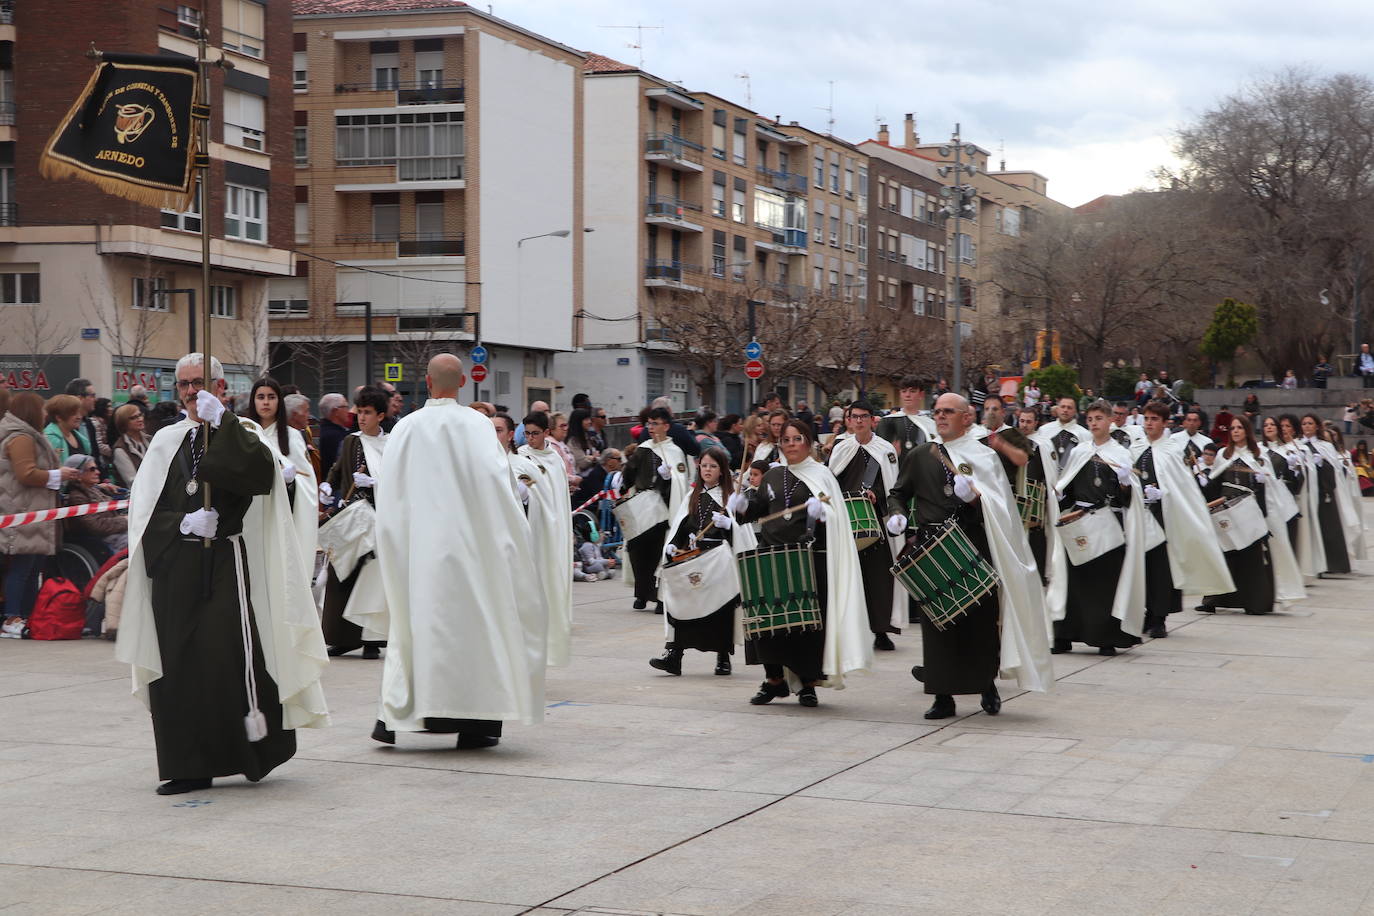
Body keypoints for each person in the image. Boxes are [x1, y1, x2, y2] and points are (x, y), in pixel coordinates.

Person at [116, 353, 329, 795]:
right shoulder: (165, 441)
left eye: (201, 383)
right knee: (176, 668)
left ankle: (248, 753)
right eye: (185, 385)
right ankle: (187, 765)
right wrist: (181, 523)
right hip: (175, 565)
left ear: (220, 388)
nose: (193, 392)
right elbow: (142, 513)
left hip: (224, 565)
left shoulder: (241, 432)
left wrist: (225, 426)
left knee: (224, 659)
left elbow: (262, 478)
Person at [371, 354, 548, 750]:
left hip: (420, 548)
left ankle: (398, 714)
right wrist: (508, 537)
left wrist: (396, 542)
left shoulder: (407, 427)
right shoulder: (477, 425)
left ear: (428, 382)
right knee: (475, 631)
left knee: (415, 627)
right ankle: (476, 721)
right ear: (463, 381)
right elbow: (496, 483)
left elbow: (390, 492)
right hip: (470, 548)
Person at [885, 393, 1054, 718]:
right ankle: (942, 695)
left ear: (966, 417)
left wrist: (976, 500)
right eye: (937, 412)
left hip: (974, 543)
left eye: (949, 411)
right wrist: (897, 514)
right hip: (934, 546)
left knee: (980, 622)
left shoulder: (984, 456)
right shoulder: (921, 454)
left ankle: (986, 686)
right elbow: (899, 493)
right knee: (937, 626)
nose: (941, 416)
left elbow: (1003, 505)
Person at [728, 418, 869, 708]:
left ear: (808, 442)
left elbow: (836, 520)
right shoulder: (772, 476)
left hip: (807, 559)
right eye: (786, 440)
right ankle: (774, 680)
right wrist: (742, 506)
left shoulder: (822, 475)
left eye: (797, 439)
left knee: (805, 626)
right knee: (766, 622)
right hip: (770, 556)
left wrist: (822, 514)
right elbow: (757, 511)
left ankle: (807, 683)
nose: (791, 445)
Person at [1047, 400, 1147, 656]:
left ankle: (1104, 637)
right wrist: (1059, 495)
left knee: (1104, 584)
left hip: (1106, 524)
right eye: (1090, 419)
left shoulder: (1120, 454)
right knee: (1072, 580)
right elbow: (1068, 489)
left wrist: (1125, 483)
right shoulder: (1080, 451)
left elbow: (1128, 499)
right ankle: (1064, 635)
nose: (1093, 423)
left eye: (1099, 419)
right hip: (1079, 524)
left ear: (1110, 420)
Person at [1131, 401, 1234, 637]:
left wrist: (1163, 494)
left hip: (1164, 516)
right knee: (1142, 568)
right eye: (1146, 419)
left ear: (1165, 422)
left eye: (1154, 419)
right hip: (1140, 515)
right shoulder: (1136, 448)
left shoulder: (1172, 450)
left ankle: (1159, 617)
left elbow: (1181, 486)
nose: (1149, 424)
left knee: (1161, 569)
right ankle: (1145, 612)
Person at [651, 447, 754, 676]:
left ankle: (723, 657)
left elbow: (744, 533)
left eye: (713, 466)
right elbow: (681, 524)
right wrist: (673, 543)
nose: (707, 470)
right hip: (694, 557)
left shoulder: (731, 497)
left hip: (719, 561)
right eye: (704, 465)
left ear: (721, 470)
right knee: (681, 601)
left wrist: (729, 526)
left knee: (721, 608)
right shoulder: (693, 495)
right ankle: (674, 655)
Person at [1197, 418, 1305, 614]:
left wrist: (1262, 482)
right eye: (1232, 428)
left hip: (1250, 513)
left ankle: (1256, 602)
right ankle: (1213, 599)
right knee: (1226, 554)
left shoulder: (1259, 455)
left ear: (1247, 430)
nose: (1236, 431)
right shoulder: (1223, 454)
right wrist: (1204, 484)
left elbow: (1270, 487)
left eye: (1240, 428)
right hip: (1227, 511)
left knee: (1252, 559)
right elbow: (1215, 482)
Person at [318, 386, 390, 660]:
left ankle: (372, 639)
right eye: (359, 412)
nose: (361, 418)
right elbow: (338, 468)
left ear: (380, 415)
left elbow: (398, 478)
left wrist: (375, 483)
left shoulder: (391, 443)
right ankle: (342, 637)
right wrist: (327, 484)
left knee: (372, 579)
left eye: (367, 413)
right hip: (352, 517)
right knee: (342, 576)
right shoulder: (352, 441)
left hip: (378, 518)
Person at [828, 400, 903, 651]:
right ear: (848, 420)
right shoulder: (840, 448)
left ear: (873, 420)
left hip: (875, 522)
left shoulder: (885, 450)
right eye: (854, 416)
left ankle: (881, 631)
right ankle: (849, 631)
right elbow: (831, 482)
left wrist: (877, 497)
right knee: (849, 578)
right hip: (846, 523)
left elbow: (894, 486)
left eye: (864, 416)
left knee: (878, 579)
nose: (859, 421)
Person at [1, 393, 77, 638]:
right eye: (41, 409)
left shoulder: (29, 435)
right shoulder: (21, 437)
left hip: (32, 510)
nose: (45, 413)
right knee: (23, 568)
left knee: (32, 568)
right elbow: (26, 474)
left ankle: (25, 616)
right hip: (22, 510)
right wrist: (58, 475)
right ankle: (11, 618)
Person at [243, 377, 319, 582]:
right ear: (254, 401)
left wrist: (289, 482)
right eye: (260, 397)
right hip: (250, 517)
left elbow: (308, 485)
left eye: (271, 397)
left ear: (279, 401)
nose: (266, 403)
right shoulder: (243, 434)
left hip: (281, 518)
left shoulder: (293, 437)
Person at [620, 407, 692, 613]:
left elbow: (681, 480)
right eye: (649, 424)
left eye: (656, 424)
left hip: (664, 509)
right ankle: (642, 594)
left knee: (659, 553)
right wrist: (624, 484)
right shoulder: (643, 447)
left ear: (666, 426)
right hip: (643, 507)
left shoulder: (675, 451)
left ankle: (661, 597)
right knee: (639, 552)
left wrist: (668, 478)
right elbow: (630, 472)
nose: (651, 428)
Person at [518, 411, 574, 667]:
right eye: (527, 433)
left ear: (546, 433)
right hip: (532, 528)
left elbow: (558, 497)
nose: (531, 438)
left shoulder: (555, 459)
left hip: (554, 527)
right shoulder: (520, 457)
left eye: (535, 433)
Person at [1300, 413, 1359, 575]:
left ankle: (1332, 564)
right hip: (1306, 492)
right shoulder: (1298, 445)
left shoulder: (1325, 446)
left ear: (1317, 426)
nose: (1307, 426)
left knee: (1328, 528)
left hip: (1323, 491)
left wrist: (1322, 463)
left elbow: (1336, 469)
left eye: (1310, 423)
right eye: (1304, 423)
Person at [62, 454, 128, 555]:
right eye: (92, 469)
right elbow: (96, 526)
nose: (98, 472)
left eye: (96, 468)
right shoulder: (77, 498)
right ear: (78, 474)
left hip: (116, 532)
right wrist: (125, 520)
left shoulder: (94, 489)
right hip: (105, 540)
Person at [1033, 395, 1091, 475]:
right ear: (1057, 409)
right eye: (1063, 407)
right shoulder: (1044, 430)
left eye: (1069, 407)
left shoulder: (1085, 434)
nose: (1065, 410)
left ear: (1075, 411)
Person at [877, 376, 935, 456]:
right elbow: (878, 453)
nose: (907, 395)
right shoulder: (887, 422)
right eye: (904, 391)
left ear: (921, 394)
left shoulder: (930, 424)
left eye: (912, 391)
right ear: (900, 394)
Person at [112, 403, 151, 488]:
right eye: (133, 418)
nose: (140, 419)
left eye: (140, 415)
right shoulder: (120, 449)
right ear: (124, 423)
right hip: (134, 495)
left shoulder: (151, 440)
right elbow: (132, 481)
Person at [284, 393, 321, 482]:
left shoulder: (303, 434)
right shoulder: (285, 439)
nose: (309, 415)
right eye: (306, 411)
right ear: (294, 415)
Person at [44, 394, 87, 465]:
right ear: (59, 417)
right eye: (74, 413)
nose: (79, 417)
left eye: (79, 412)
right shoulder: (51, 438)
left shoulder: (78, 436)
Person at [317, 393, 352, 479]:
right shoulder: (334, 436)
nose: (348, 410)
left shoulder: (325, 430)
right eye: (345, 406)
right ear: (335, 411)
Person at [566, 408, 600, 473]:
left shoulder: (588, 437)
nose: (589, 422)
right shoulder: (573, 441)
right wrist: (593, 458)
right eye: (586, 420)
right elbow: (583, 463)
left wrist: (591, 457)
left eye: (589, 419)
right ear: (578, 422)